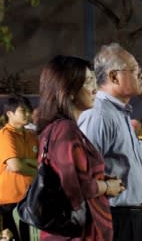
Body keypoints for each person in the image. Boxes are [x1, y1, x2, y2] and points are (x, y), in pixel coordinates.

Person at [36, 55, 124, 241]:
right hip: (78, 234)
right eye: (89, 82)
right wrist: (107, 186)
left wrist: (100, 178)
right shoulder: (65, 130)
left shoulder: (59, 129)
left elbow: (73, 176)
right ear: (68, 91)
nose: (95, 89)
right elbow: (72, 188)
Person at [78, 43, 142, 241]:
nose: (141, 74)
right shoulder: (99, 115)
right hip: (112, 218)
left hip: (130, 217)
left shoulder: (120, 113)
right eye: (135, 70)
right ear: (113, 76)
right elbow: (83, 175)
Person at [0, 95, 37, 241]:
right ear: (10, 114)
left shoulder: (31, 136)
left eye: (29, 110)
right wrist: (37, 171)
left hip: (29, 200)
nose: (28, 114)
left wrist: (26, 161)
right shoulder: (5, 135)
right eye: (23, 111)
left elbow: (42, 162)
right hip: (9, 202)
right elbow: (15, 166)